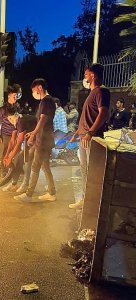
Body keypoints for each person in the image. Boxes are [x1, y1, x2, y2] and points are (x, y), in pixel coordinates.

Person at [68, 64, 110, 209]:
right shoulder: (91, 93)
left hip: (90, 138)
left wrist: (90, 133)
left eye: (86, 74)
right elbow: (86, 117)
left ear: (93, 75)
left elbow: (103, 113)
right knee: (85, 170)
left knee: (92, 172)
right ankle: (86, 201)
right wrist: (77, 133)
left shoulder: (101, 91)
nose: (84, 77)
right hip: (84, 136)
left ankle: (92, 204)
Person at [14, 78, 56, 202]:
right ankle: (52, 193)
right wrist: (33, 132)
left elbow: (42, 120)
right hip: (44, 138)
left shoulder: (46, 101)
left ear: (39, 88)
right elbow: (42, 121)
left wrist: (33, 135)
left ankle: (28, 194)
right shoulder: (48, 101)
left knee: (35, 166)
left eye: (33, 90)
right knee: (45, 166)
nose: (33, 93)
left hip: (43, 140)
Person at [1, 106, 38, 193]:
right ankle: (14, 184)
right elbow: (12, 141)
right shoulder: (15, 121)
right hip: (30, 140)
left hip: (39, 139)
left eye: (8, 118)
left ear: (11, 116)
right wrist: (6, 156)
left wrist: (10, 158)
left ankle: (25, 185)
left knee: (28, 162)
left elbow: (18, 143)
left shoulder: (21, 121)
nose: (9, 121)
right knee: (20, 159)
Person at [0, 84, 22, 161]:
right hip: (5, 137)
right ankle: (1, 171)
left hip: (16, 136)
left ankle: (14, 171)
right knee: (3, 156)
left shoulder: (17, 107)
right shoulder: (3, 109)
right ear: (9, 96)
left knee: (16, 156)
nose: (15, 98)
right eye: (14, 96)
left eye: (16, 96)